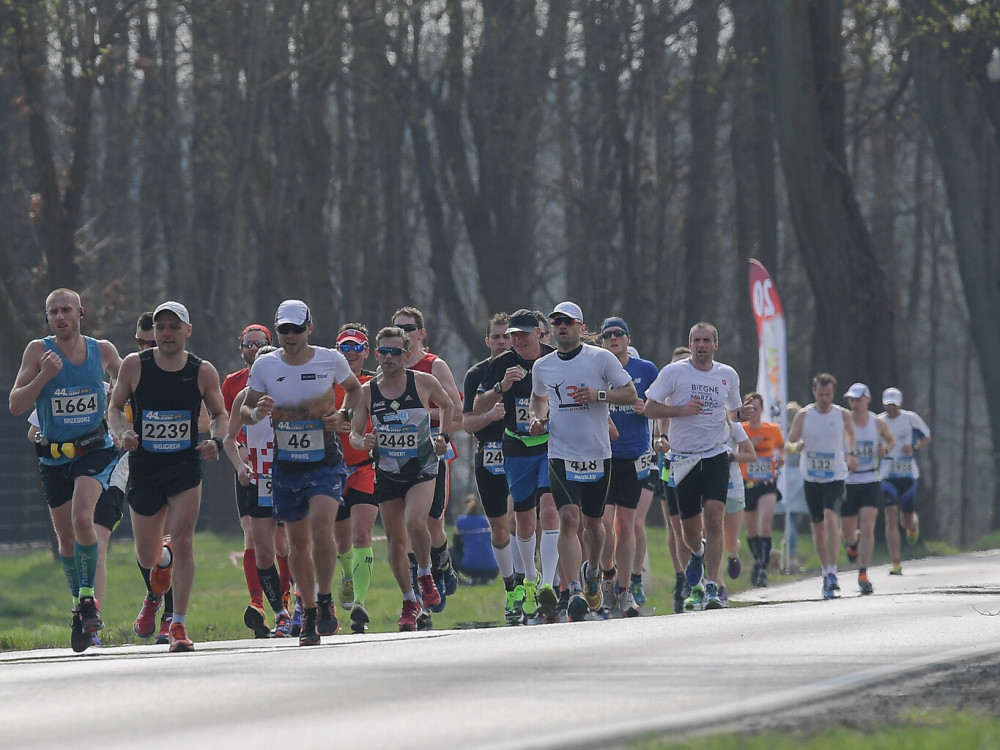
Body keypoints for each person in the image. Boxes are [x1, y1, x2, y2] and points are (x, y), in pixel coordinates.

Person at [109, 300, 228, 652]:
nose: (166, 333)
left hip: (184, 468)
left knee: (184, 539)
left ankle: (178, 625)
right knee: (147, 556)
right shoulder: (135, 365)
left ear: (187, 331)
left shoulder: (202, 371)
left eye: (174, 326)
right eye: (160, 327)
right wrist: (123, 433)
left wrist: (217, 442)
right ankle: (161, 564)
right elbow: (114, 407)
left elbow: (220, 414)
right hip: (146, 468)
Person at [241, 300, 361, 646]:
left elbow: (354, 392)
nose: (290, 336)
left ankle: (325, 600)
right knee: (297, 542)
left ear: (309, 328)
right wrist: (256, 411)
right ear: (277, 331)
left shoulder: (330, 359)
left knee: (323, 528)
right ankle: (307, 611)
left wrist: (344, 416)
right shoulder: (265, 364)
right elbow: (246, 409)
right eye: (284, 330)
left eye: (296, 329)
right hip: (287, 464)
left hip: (325, 459)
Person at [9, 289, 123, 652]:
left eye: (66, 310)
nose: (60, 317)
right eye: (53, 311)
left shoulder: (101, 350)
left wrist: (122, 415)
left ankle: (88, 599)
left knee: (81, 518)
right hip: (53, 456)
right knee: (67, 539)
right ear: (47, 318)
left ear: (80, 313)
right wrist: (43, 376)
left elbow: (132, 381)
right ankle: (79, 610)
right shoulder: (37, 351)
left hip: (94, 450)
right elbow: (15, 404)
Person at [528, 301, 637, 622]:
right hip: (561, 453)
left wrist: (599, 395)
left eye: (568, 322)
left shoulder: (600, 358)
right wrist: (538, 416)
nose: (562, 326)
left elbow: (630, 394)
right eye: (557, 322)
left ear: (581, 326)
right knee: (569, 518)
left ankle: (592, 571)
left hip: (597, 454)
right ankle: (574, 587)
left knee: (594, 525)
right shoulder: (543, 366)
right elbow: (538, 397)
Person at [349, 326, 453, 631]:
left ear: (406, 354)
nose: (388, 357)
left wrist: (443, 436)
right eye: (383, 351)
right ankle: (409, 600)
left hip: (421, 466)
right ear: (377, 353)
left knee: (414, 522)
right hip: (387, 470)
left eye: (395, 352)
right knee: (395, 540)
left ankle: (424, 572)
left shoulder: (423, 382)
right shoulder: (368, 390)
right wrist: (362, 442)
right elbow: (355, 431)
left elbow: (447, 405)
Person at [643, 323, 747, 611]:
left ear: (716, 344)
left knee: (715, 517)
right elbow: (649, 408)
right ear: (689, 344)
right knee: (689, 531)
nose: (700, 346)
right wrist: (679, 410)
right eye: (696, 341)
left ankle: (713, 586)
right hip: (684, 457)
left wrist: (742, 414)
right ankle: (697, 553)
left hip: (715, 454)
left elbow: (733, 411)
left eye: (706, 341)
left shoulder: (728, 375)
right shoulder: (674, 372)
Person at [473, 309, 558, 624]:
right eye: (514, 335)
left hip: (551, 446)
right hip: (516, 447)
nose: (518, 340)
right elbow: (477, 405)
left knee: (549, 511)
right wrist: (500, 389)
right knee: (523, 522)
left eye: (524, 333)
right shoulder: (501, 363)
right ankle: (530, 581)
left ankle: (547, 582)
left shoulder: (552, 360)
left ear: (539, 333)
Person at [220, 324, 292, 638]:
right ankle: (276, 612)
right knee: (261, 547)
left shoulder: (293, 392)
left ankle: (300, 605)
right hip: (259, 478)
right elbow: (226, 435)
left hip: (291, 476)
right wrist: (239, 463)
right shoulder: (240, 393)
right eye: (247, 345)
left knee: (290, 544)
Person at [392, 306, 464, 610]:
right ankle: (418, 585)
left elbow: (457, 413)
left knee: (433, 522)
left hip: (434, 450)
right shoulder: (389, 367)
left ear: (421, 334)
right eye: (397, 329)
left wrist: (419, 413)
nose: (403, 335)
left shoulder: (435, 366)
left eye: (408, 329)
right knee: (409, 522)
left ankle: (443, 563)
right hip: (399, 455)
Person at [463, 314, 528, 623]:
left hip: (522, 453)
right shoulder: (476, 374)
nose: (503, 342)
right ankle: (510, 585)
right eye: (497, 337)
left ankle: (530, 580)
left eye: (507, 337)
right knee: (500, 526)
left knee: (520, 518)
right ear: (488, 340)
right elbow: (467, 423)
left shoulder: (527, 366)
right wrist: (489, 417)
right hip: (489, 453)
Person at [598, 316, 658, 617]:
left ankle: (624, 590)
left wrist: (646, 407)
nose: (612, 339)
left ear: (627, 338)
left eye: (618, 334)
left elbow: (661, 406)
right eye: (607, 335)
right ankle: (607, 577)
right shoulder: (595, 368)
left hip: (634, 456)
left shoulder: (645, 370)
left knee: (626, 525)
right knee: (603, 525)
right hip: (603, 455)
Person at [125, 313, 178, 644]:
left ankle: (170, 619)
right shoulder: (130, 372)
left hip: (176, 468)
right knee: (148, 549)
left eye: (152, 341)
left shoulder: (183, 371)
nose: (147, 348)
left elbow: (203, 418)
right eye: (140, 342)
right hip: (141, 467)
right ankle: (153, 596)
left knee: (172, 540)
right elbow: (114, 411)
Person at [785, 372, 857, 600]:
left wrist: (852, 454)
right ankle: (826, 572)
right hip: (812, 477)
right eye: (821, 394)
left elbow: (851, 436)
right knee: (817, 527)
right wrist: (797, 447)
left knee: (830, 518)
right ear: (814, 392)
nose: (825, 398)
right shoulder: (804, 415)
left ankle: (834, 571)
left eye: (828, 394)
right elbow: (788, 443)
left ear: (832, 393)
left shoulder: (842, 415)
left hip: (835, 475)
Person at [330, 324, 379, 634]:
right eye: (344, 348)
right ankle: (347, 574)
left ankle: (360, 603)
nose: (349, 354)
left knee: (362, 534)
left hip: (365, 467)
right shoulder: (325, 385)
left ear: (365, 353)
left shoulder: (374, 385)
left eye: (355, 348)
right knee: (342, 540)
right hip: (332, 469)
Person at [840, 383, 895, 595]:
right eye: (851, 400)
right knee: (847, 531)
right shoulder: (844, 421)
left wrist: (885, 449)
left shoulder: (877, 422)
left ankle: (863, 573)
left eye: (858, 400)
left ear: (868, 399)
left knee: (868, 525)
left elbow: (890, 441)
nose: (854, 404)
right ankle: (852, 543)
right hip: (848, 480)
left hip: (871, 478)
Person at [878, 387, 931, 575]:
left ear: (900, 403)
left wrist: (914, 446)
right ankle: (895, 562)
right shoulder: (879, 421)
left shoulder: (911, 418)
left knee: (905, 520)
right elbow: (872, 442)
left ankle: (912, 527)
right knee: (891, 516)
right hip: (887, 474)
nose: (891, 408)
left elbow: (927, 437)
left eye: (894, 404)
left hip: (908, 474)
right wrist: (879, 450)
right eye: (888, 404)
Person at [740, 391, 785, 587]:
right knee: (751, 531)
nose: (753, 413)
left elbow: (782, 447)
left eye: (756, 409)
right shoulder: (740, 430)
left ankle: (764, 569)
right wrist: (750, 445)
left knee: (764, 524)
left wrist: (782, 457)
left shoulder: (772, 429)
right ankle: (758, 560)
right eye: (749, 409)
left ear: (762, 410)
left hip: (767, 484)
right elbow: (733, 453)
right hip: (747, 484)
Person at [778, 401, 809, 573]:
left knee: (788, 520)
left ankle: (788, 557)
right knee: (791, 520)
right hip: (794, 475)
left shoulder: (785, 431)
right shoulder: (797, 432)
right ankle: (791, 556)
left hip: (787, 475)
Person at [451, 496, 499, 584]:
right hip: (493, 569)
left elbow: (456, 543)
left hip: (470, 568)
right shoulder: (486, 520)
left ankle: (456, 579)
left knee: (451, 551)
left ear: (465, 506)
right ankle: (485, 579)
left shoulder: (461, 520)